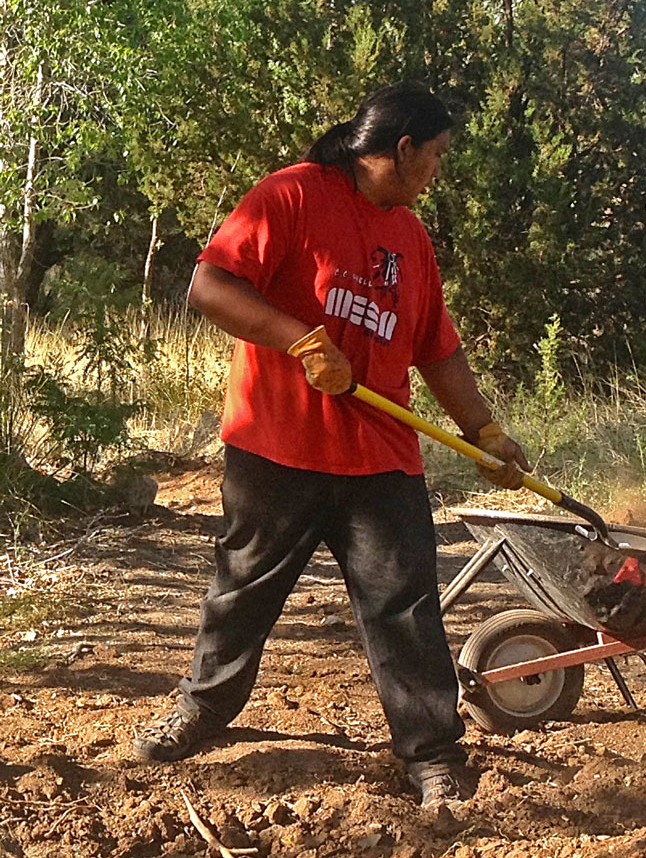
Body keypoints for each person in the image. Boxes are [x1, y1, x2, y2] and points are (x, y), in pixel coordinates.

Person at [133, 84, 529, 810]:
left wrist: (484, 431)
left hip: (379, 457)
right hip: (276, 446)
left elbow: (436, 350)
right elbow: (208, 287)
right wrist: (300, 340)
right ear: (402, 148)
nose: (440, 170)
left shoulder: (410, 237)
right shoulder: (290, 195)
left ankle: (432, 754)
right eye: (436, 154)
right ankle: (203, 709)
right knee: (243, 593)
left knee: (404, 609)